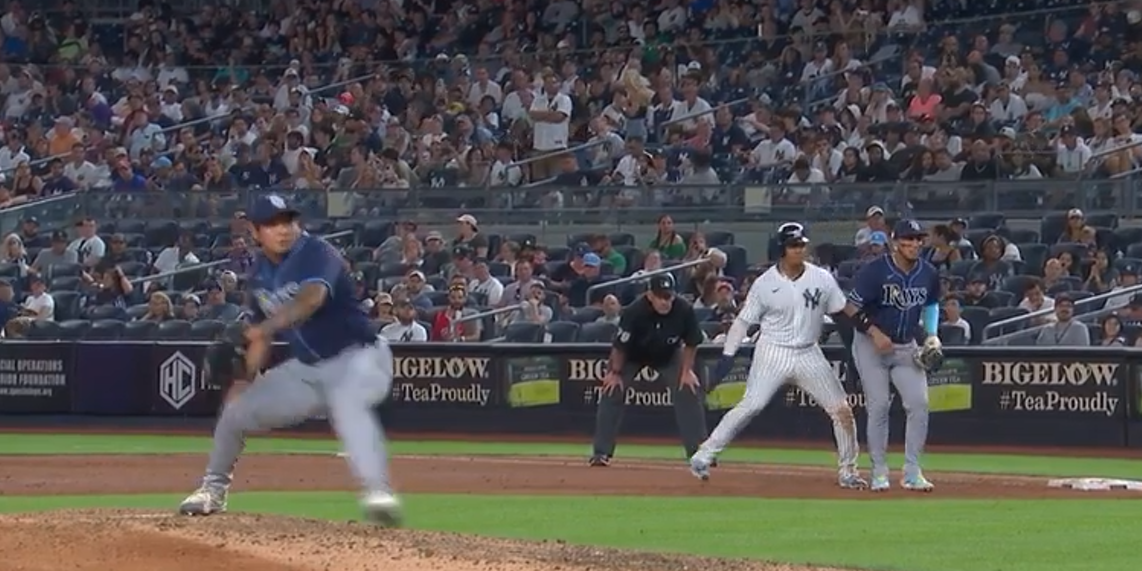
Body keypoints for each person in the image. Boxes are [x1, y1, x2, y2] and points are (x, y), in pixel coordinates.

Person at [177, 194, 400, 526]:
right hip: (308, 370)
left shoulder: (317, 252)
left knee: (347, 402)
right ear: (254, 231)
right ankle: (212, 490)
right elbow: (258, 336)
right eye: (272, 223)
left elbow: (311, 300)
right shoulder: (259, 274)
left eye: (288, 221)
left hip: (363, 358)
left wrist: (262, 328)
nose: (283, 229)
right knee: (235, 413)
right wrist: (244, 378)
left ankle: (378, 493)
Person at [690, 223, 864, 489]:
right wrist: (727, 357)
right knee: (752, 405)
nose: (800, 250)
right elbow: (742, 323)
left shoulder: (822, 278)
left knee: (841, 410)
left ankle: (848, 471)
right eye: (794, 245)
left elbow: (841, 314)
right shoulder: (764, 284)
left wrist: (852, 354)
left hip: (808, 352)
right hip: (773, 350)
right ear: (781, 249)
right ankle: (703, 455)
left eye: (802, 245)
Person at [843, 219, 940, 493]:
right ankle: (879, 470)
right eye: (908, 239)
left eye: (918, 239)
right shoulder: (875, 271)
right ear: (896, 242)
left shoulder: (928, 272)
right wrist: (873, 332)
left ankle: (912, 471)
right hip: (870, 345)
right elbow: (850, 308)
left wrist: (931, 334)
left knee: (919, 404)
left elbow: (931, 303)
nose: (914, 244)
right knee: (879, 406)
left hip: (905, 345)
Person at [589, 273, 707, 466]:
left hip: (668, 355)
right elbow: (620, 346)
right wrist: (615, 373)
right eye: (660, 297)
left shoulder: (683, 309)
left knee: (688, 389)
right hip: (632, 355)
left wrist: (687, 371)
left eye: (668, 296)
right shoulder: (635, 311)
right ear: (650, 296)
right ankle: (601, 452)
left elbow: (692, 342)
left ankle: (699, 452)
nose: (665, 302)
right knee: (612, 390)